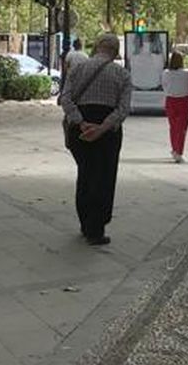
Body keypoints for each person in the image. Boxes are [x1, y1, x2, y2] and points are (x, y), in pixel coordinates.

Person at [57, 34, 134, 246]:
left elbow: (65, 99)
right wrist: (102, 128)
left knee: (86, 173)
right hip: (108, 132)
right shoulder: (122, 74)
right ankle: (96, 228)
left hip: (79, 129)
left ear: (96, 47)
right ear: (115, 51)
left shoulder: (77, 69)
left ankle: (85, 222)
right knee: (104, 177)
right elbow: (123, 109)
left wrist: (81, 122)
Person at [160, 51, 188, 163]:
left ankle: (174, 148)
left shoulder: (166, 72)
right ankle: (179, 151)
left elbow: (164, 85)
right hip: (184, 101)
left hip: (170, 100)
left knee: (173, 127)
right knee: (182, 128)